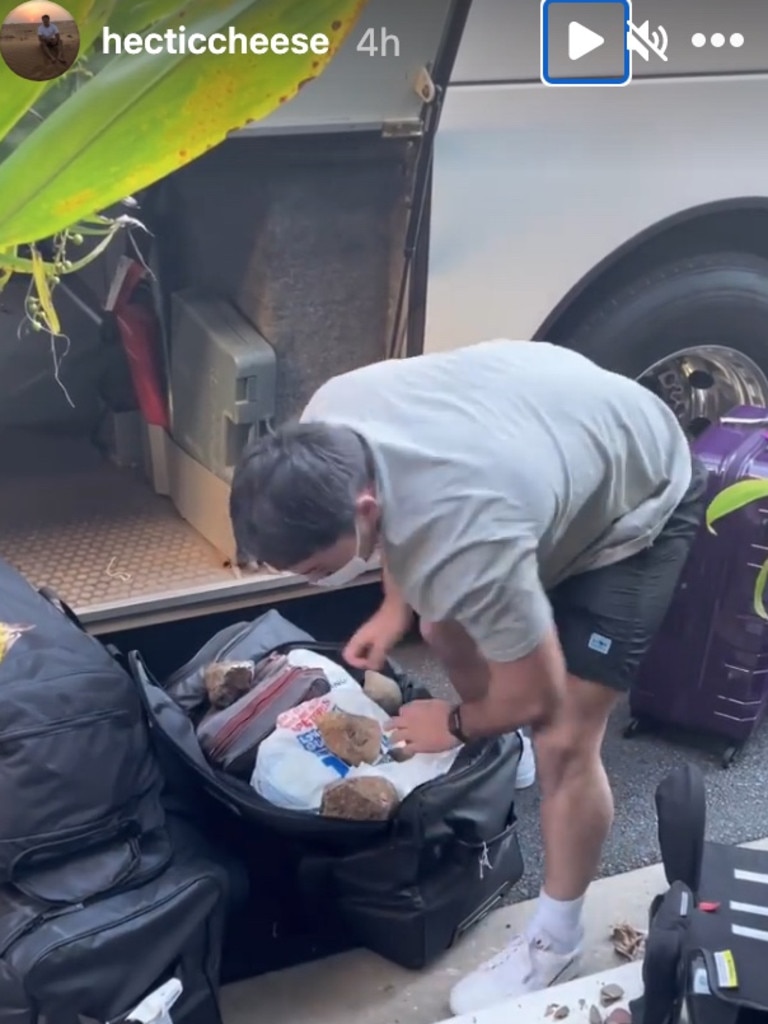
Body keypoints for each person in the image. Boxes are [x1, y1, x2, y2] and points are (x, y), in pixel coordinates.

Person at [229, 339, 707, 1014]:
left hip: (637, 500)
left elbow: (539, 690)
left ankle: (554, 938)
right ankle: (497, 747)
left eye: (312, 570)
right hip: (550, 446)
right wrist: (397, 608)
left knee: (563, 739)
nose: (309, 582)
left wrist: (452, 721)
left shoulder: (466, 535)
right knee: (439, 625)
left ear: (362, 510)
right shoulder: (330, 421)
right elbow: (405, 522)